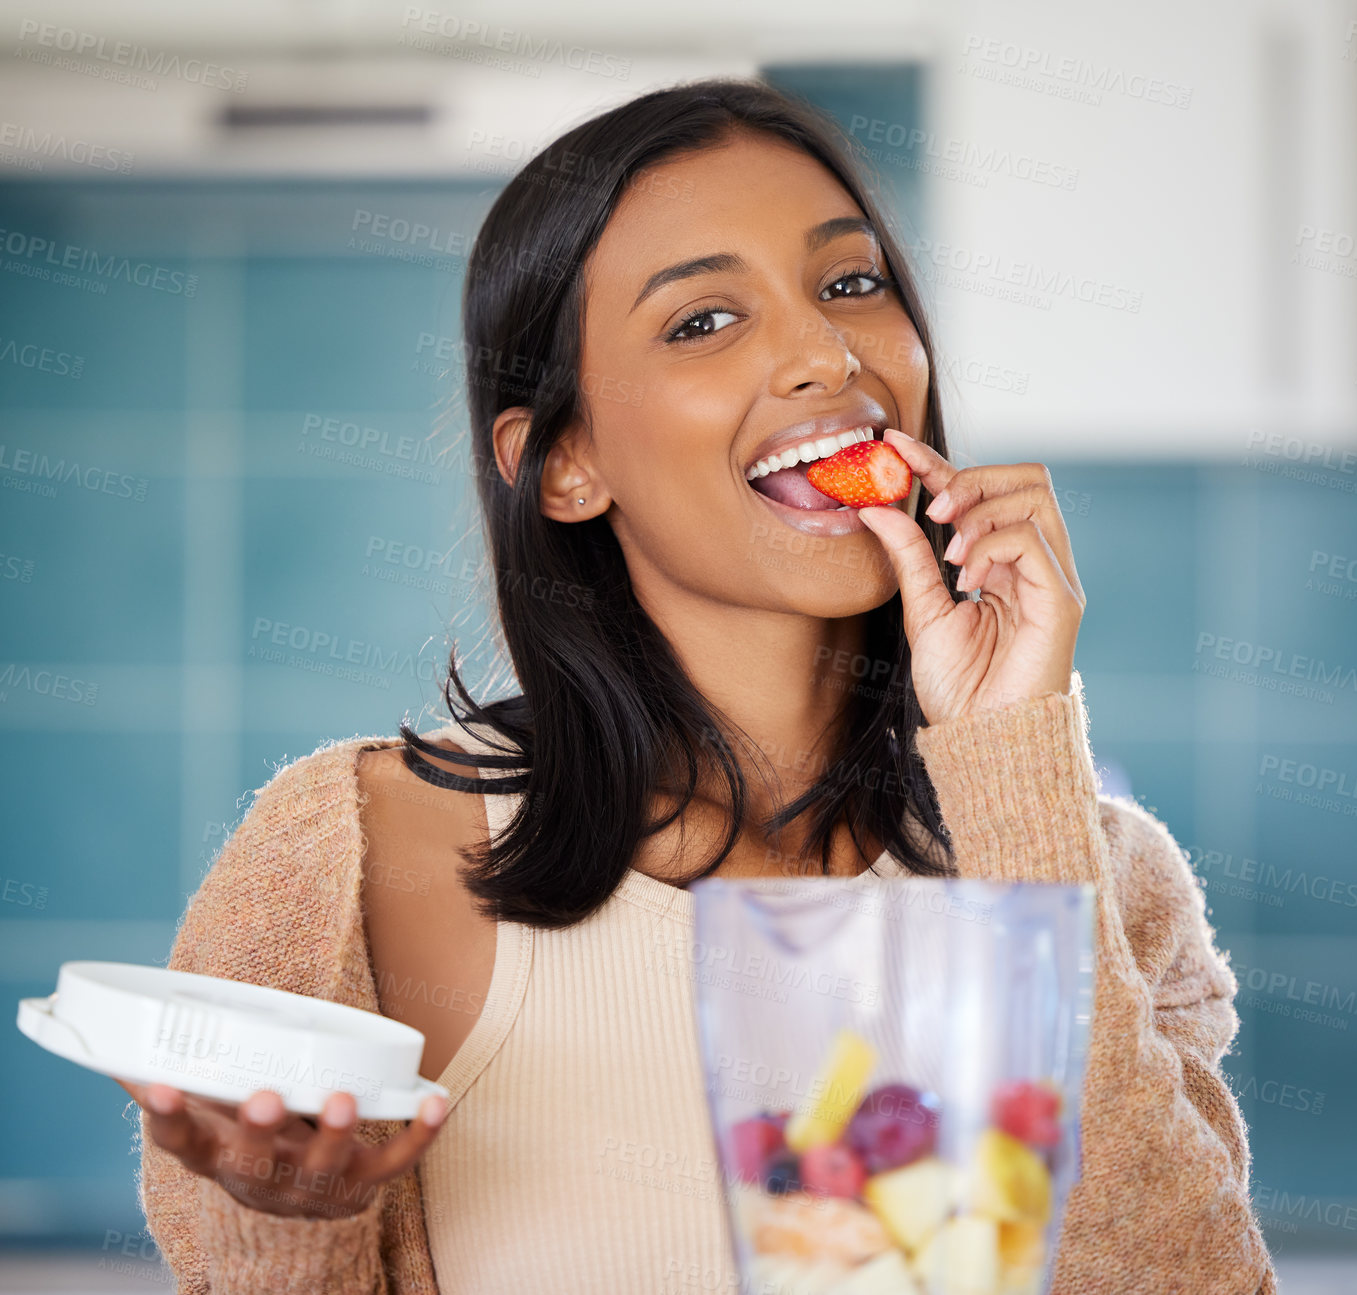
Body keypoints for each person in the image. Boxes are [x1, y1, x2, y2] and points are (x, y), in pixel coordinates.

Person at [118, 76, 1278, 1293]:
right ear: (563, 464)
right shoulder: (348, 856)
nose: (826, 354)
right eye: (702, 321)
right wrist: (290, 1224)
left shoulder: (1104, 876)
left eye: (850, 284)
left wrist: (1014, 772)